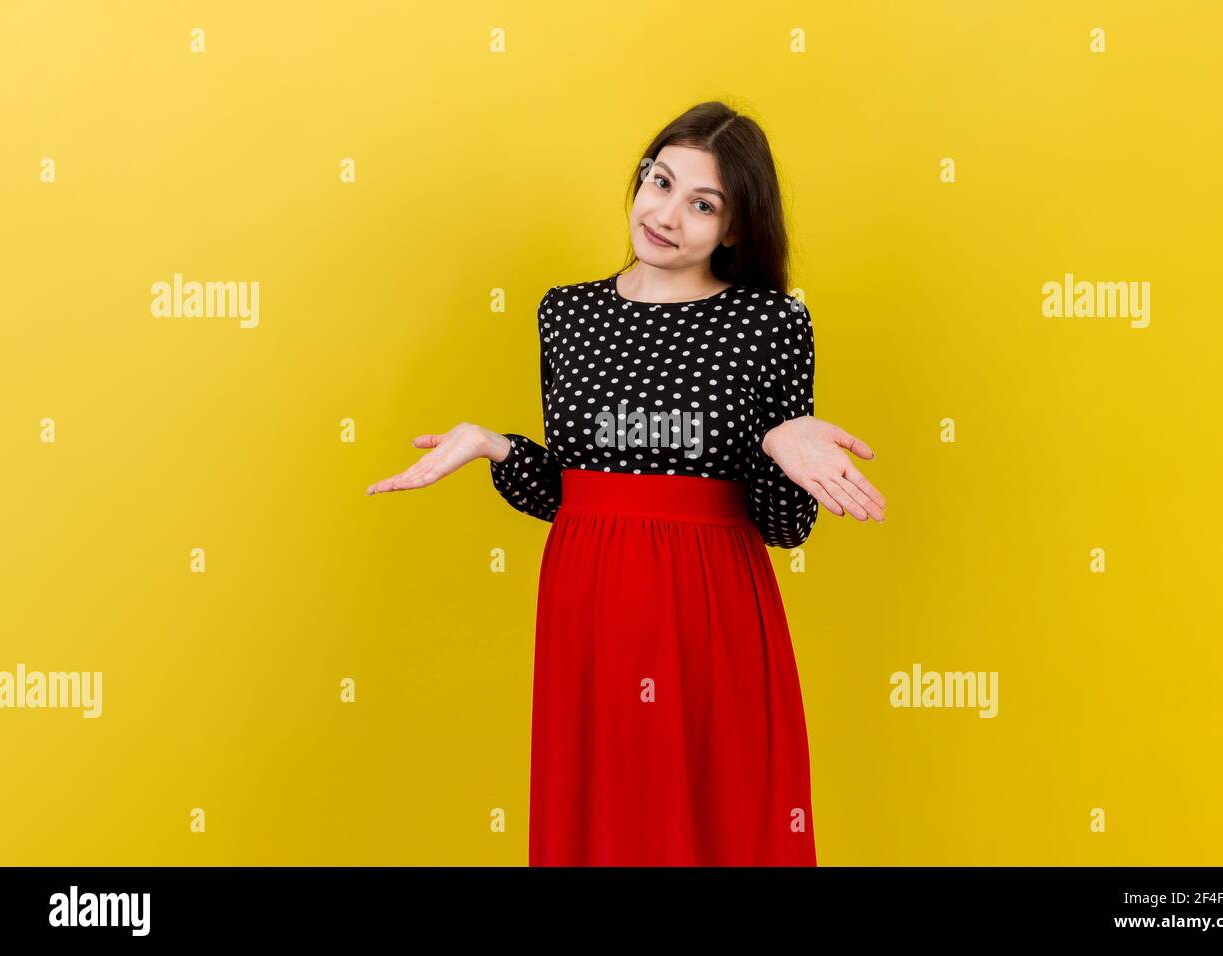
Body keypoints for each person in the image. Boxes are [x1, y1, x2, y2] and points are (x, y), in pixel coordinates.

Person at [367, 101, 886, 865]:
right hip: (589, 603)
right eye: (661, 181)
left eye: (702, 204)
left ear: (734, 230)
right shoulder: (566, 314)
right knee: (602, 821)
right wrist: (498, 448)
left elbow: (784, 525)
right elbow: (572, 491)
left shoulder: (770, 320)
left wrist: (781, 438)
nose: (668, 214)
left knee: (718, 813)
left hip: (710, 610)